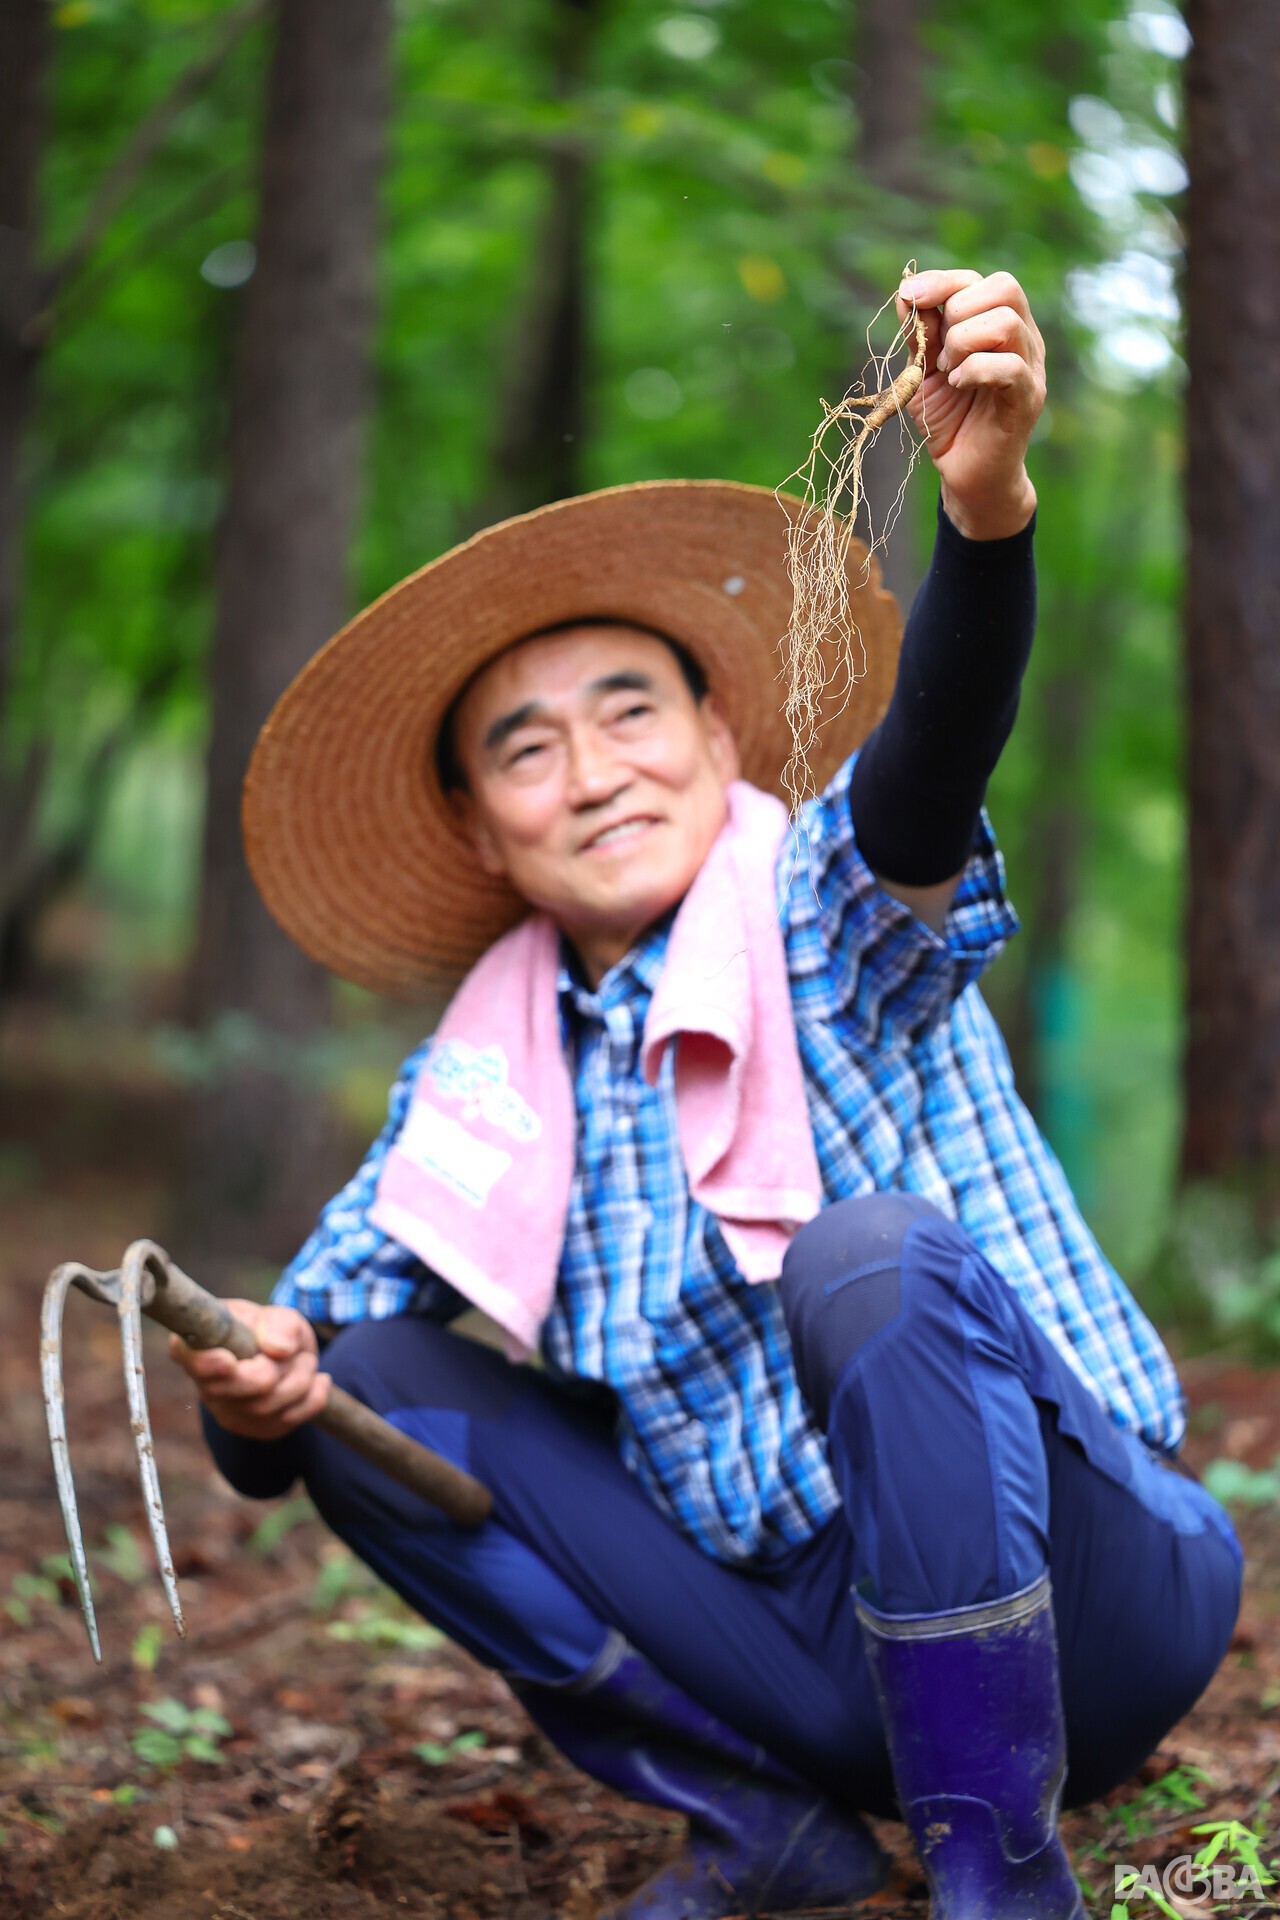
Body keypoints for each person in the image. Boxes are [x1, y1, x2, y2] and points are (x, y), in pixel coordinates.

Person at [170, 270, 1241, 1920]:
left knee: (864, 1252)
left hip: (1088, 1593)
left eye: (629, 712)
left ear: (716, 732)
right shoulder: (480, 1079)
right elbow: (300, 1398)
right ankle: (768, 1836)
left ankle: (1000, 1885)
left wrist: (987, 516)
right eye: (526, 750)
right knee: (378, 1368)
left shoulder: (814, 917)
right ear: (480, 828)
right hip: (809, 1663)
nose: (593, 771)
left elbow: (926, 779)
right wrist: (253, 1386)